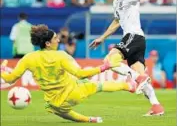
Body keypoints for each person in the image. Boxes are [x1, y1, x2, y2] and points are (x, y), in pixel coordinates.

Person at [1, 24, 136, 123]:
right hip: (73, 93)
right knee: (98, 86)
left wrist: (1, 72)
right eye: (55, 38)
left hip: (55, 101)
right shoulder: (60, 55)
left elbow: (11, 79)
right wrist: (103, 67)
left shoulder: (28, 58)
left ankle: (89, 120)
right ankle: (129, 87)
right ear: (48, 43)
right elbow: (80, 73)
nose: (58, 40)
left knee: (58, 109)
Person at [89, 0, 176, 116]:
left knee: (109, 60)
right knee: (142, 78)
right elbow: (117, 21)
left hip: (133, 36)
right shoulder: (116, 2)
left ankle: (137, 78)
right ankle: (156, 107)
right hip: (137, 40)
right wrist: (102, 37)